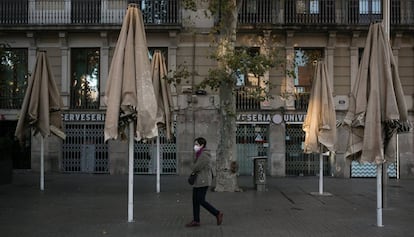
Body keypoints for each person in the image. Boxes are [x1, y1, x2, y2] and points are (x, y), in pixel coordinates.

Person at [186, 137, 223, 227]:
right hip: (198, 181)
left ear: (202, 145)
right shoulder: (199, 154)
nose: (195, 146)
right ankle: (196, 220)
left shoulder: (204, 155)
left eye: (196, 144)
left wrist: (190, 163)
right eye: (194, 144)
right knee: (195, 200)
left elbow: (196, 167)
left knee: (200, 200)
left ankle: (217, 213)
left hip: (203, 181)